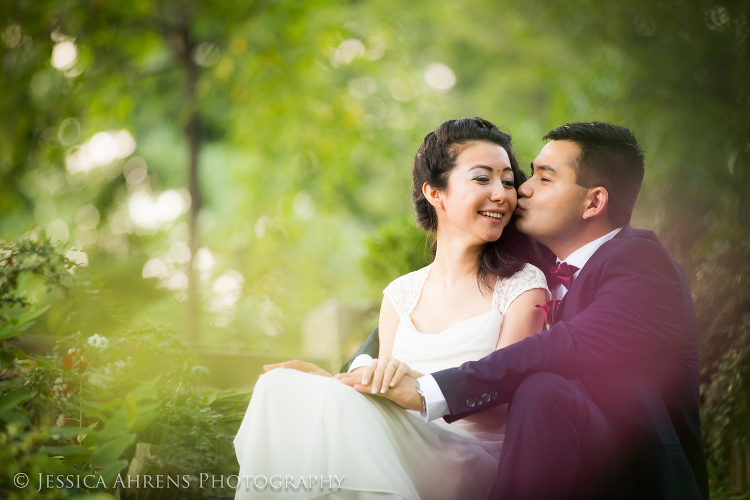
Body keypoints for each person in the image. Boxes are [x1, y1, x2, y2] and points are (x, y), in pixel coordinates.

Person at [338, 122, 709, 499]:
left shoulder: (641, 264)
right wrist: (356, 372)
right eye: (527, 175)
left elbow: (565, 346)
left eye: (544, 179)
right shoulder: (534, 259)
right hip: (546, 457)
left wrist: (425, 391)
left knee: (542, 388)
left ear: (594, 202)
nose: (521, 189)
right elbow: (410, 312)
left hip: (631, 476)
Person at [233, 117, 550, 499]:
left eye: (508, 181)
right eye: (482, 179)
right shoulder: (401, 293)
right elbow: (384, 387)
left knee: (336, 408)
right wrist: (338, 382)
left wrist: (415, 386)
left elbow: (508, 403)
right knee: (277, 385)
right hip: (398, 443)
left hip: (469, 458)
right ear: (435, 193)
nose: (502, 194)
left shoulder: (523, 285)